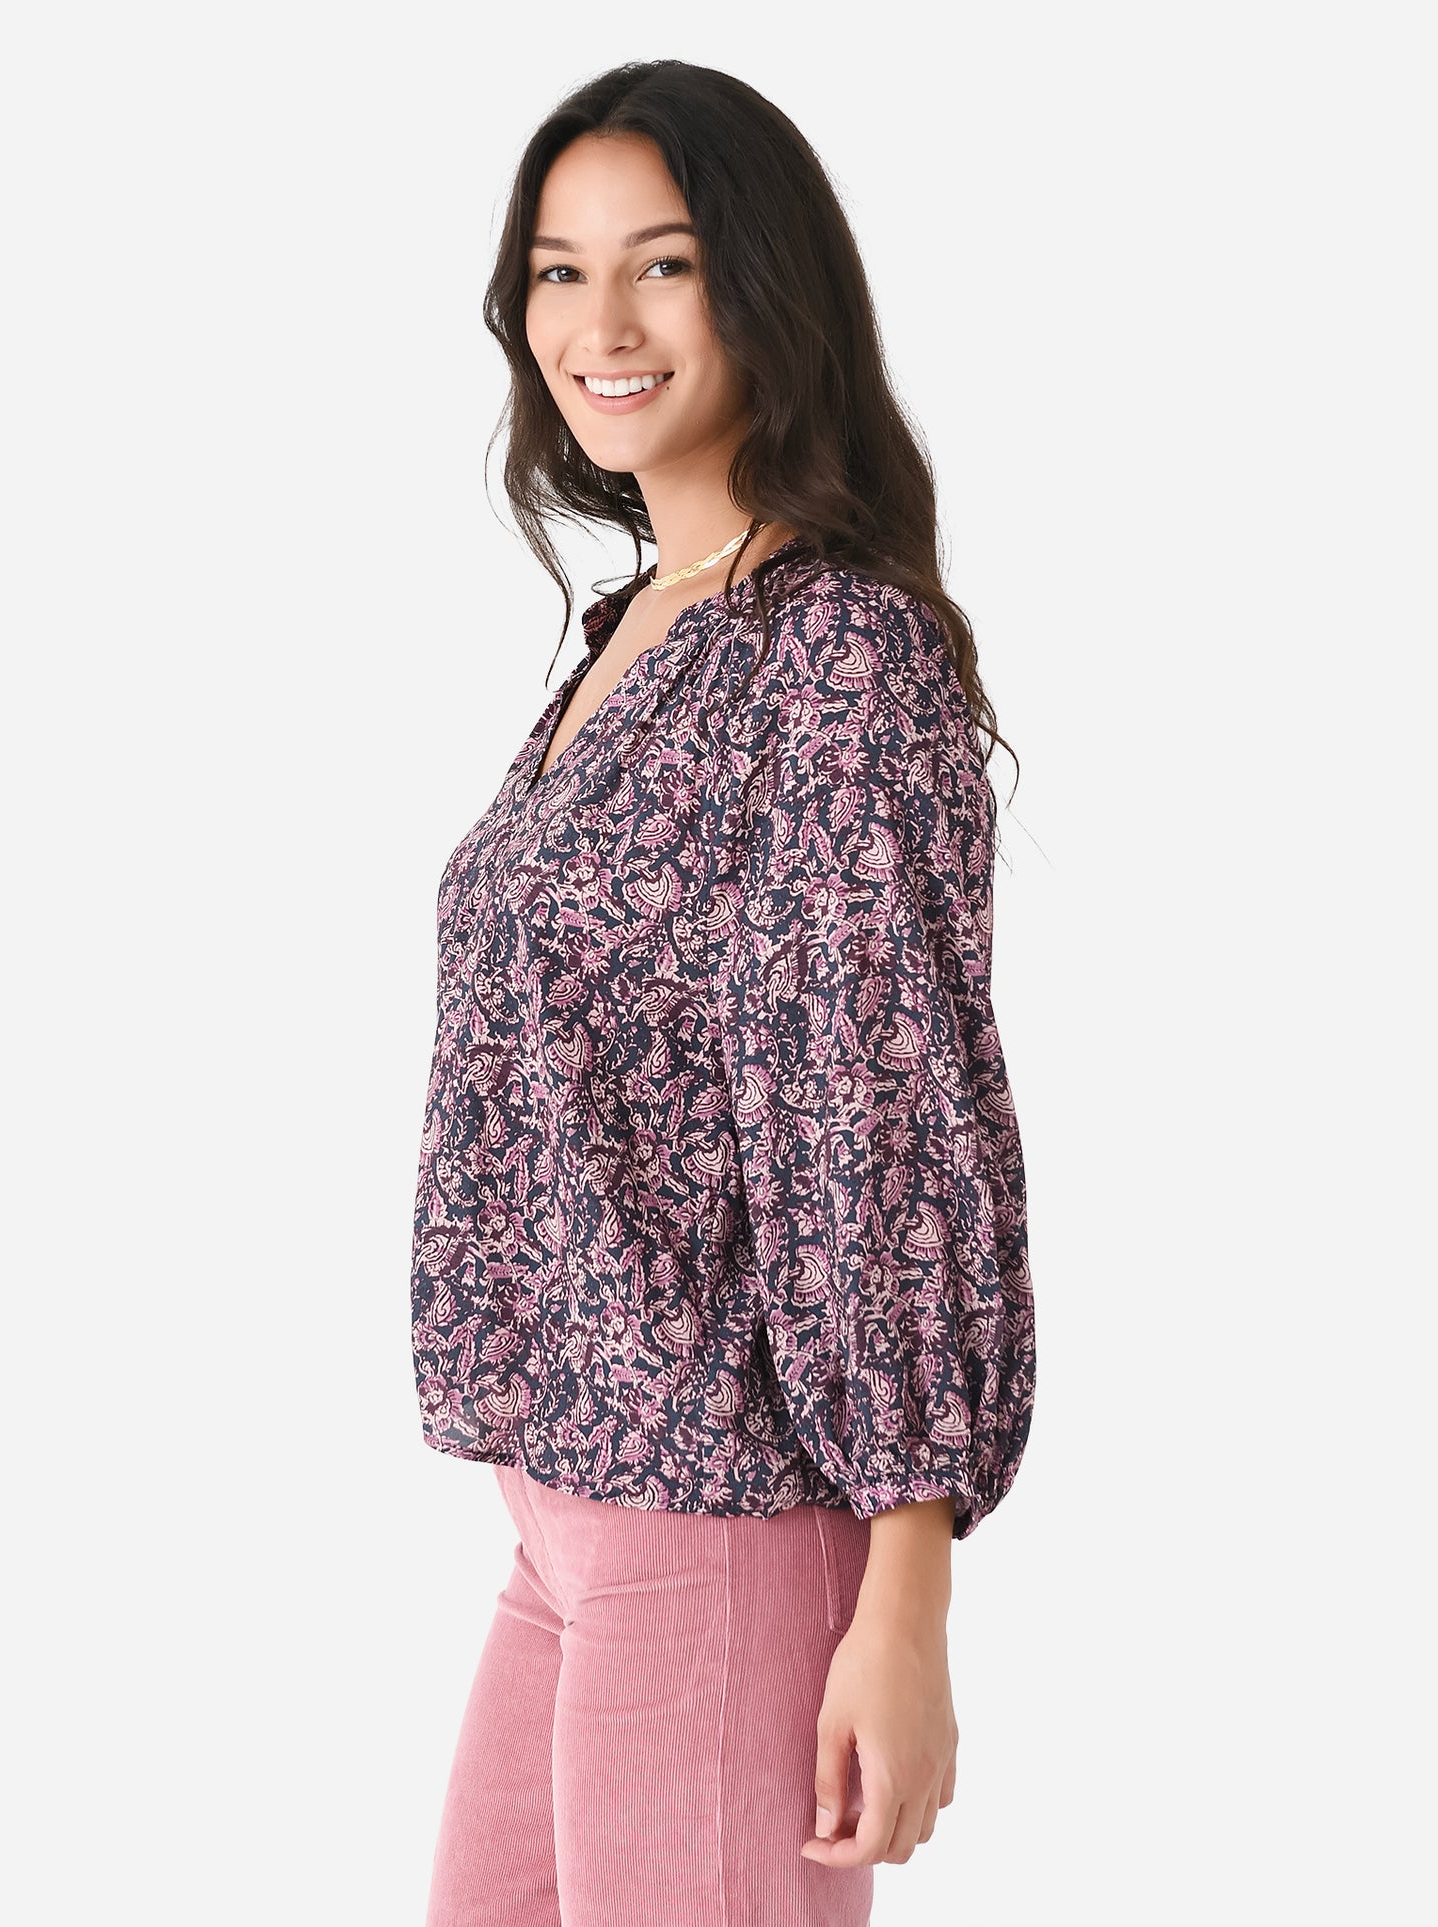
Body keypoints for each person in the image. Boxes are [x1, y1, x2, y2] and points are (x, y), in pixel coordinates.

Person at [409, 58, 1037, 1927]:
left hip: (728, 1515)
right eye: (558, 270)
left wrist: (902, 1594)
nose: (597, 324)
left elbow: (874, 1117)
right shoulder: (641, 627)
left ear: (766, 289)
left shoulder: (832, 650)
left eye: (661, 265)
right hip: (566, 1512)